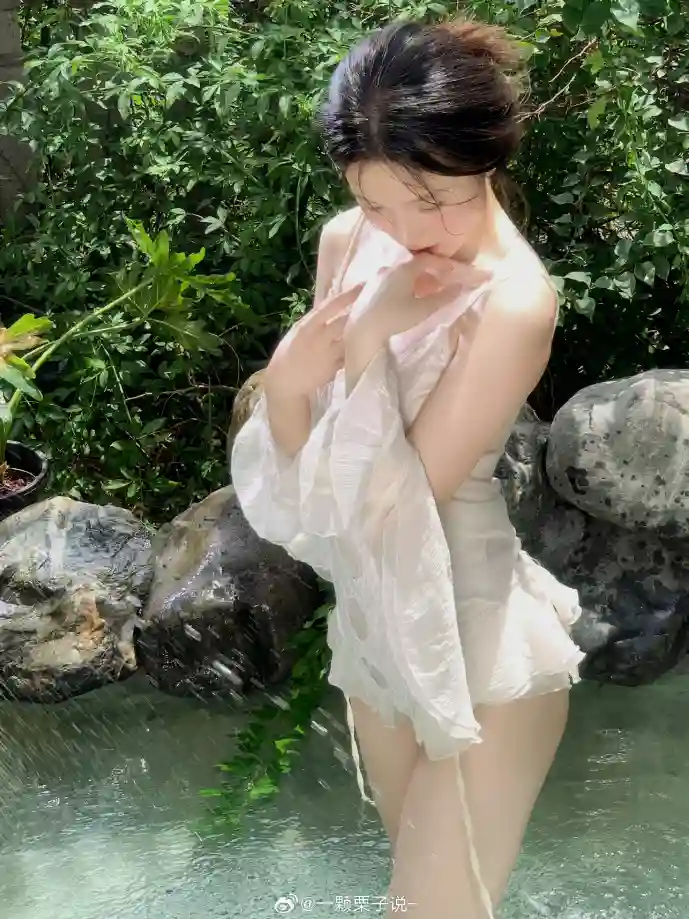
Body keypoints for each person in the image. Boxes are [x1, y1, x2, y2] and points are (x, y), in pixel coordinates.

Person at [230, 16, 586, 919]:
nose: (406, 229)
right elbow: (303, 487)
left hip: (478, 646)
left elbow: (394, 502)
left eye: (433, 198)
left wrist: (363, 339)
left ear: (485, 155)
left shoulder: (514, 301)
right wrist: (287, 382)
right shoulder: (346, 242)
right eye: (377, 201)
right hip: (375, 636)